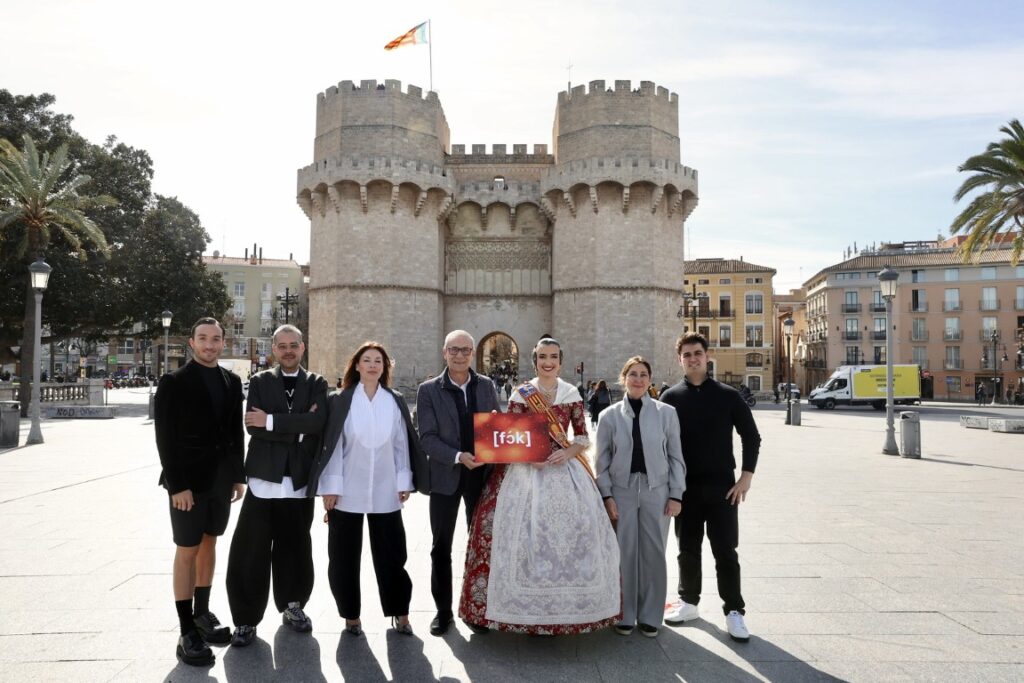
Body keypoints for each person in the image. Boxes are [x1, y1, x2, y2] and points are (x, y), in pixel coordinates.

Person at [459, 337, 620, 635]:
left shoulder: (571, 392)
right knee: (503, 531)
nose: (548, 362)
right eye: (543, 356)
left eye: (554, 357)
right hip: (524, 472)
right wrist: (530, 458)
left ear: (561, 360)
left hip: (565, 469)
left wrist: (568, 452)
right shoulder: (522, 394)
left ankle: (567, 611)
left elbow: (582, 436)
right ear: (535, 359)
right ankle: (495, 611)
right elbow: (513, 433)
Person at [307, 342, 428, 636]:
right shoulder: (341, 400)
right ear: (357, 365)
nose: (373, 365)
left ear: (385, 367)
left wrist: (403, 482)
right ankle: (351, 616)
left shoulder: (394, 400)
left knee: (393, 555)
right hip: (348, 488)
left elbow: (401, 443)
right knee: (343, 557)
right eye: (367, 360)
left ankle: (400, 612)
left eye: (378, 361)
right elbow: (334, 446)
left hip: (386, 489)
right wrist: (331, 488)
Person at [225, 325, 329, 647]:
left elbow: (317, 424)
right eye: (281, 345)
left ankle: (294, 605)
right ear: (273, 349)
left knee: (296, 548)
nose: (287, 350)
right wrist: (296, 427)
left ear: (303, 347)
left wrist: (272, 421)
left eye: (293, 345)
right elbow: (253, 427)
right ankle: (245, 620)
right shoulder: (259, 382)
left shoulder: (316, 383)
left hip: (297, 482)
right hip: (263, 480)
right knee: (250, 552)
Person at [154, 317, 245, 666]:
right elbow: (164, 437)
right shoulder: (174, 382)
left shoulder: (232, 381)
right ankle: (185, 629)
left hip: (221, 482)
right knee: (187, 550)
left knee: (210, 542)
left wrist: (238, 476)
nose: (209, 344)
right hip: (187, 485)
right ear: (191, 343)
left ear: (224, 343)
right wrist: (178, 485)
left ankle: (203, 614)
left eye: (216, 339)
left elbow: (235, 432)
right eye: (203, 339)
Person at [661, 332, 761, 643]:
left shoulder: (729, 396)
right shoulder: (669, 399)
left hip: (722, 489)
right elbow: (659, 443)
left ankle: (734, 611)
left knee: (725, 551)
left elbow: (751, 436)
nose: (693, 359)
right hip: (685, 489)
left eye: (697, 353)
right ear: (680, 360)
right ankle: (689, 602)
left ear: (707, 356)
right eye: (687, 354)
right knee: (687, 550)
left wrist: (746, 476)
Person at [416, 330, 500, 636]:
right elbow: (427, 438)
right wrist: (457, 455)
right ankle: (443, 612)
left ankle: (476, 609)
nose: (460, 355)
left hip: (481, 477)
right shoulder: (428, 390)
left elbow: (497, 426)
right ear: (444, 352)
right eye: (454, 350)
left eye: (466, 350)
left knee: (479, 546)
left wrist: (494, 451)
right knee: (441, 547)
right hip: (445, 478)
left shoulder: (487, 386)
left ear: (473, 353)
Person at [596, 356, 684, 637]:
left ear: (650, 379)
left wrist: (676, 494)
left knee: (654, 553)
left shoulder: (666, 413)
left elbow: (675, 457)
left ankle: (650, 615)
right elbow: (602, 460)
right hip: (621, 491)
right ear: (624, 378)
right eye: (632, 374)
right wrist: (606, 495)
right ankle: (625, 613)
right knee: (623, 552)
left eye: (643, 374)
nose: (638, 379)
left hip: (656, 490)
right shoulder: (608, 416)